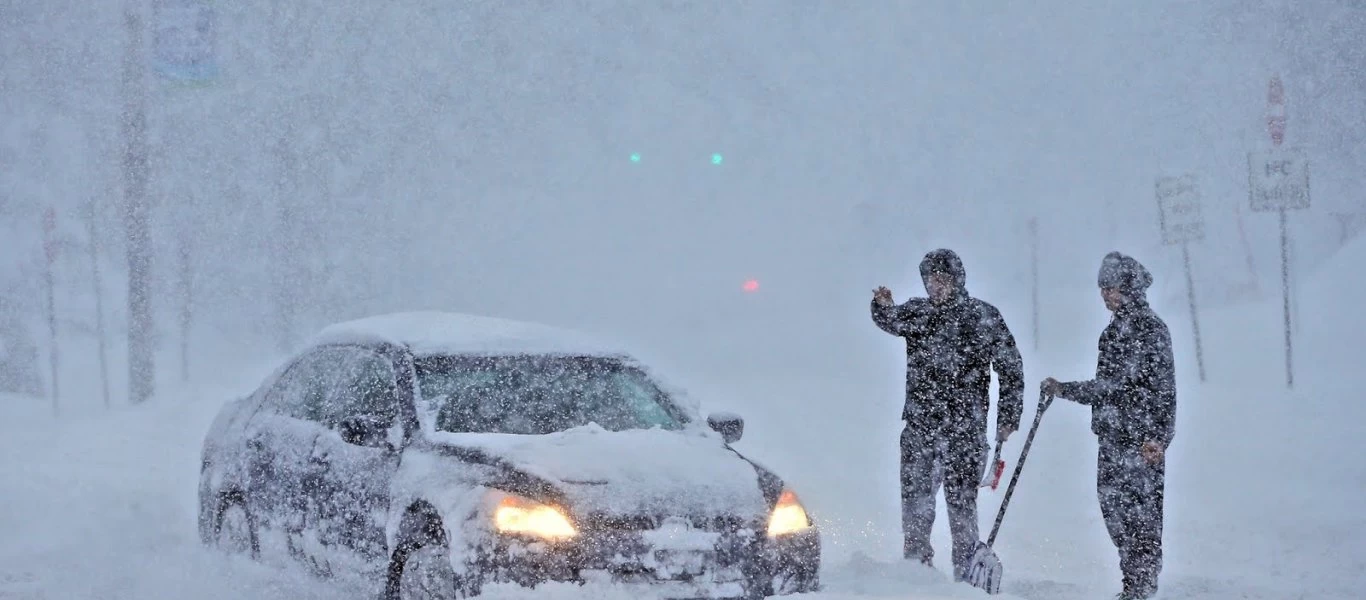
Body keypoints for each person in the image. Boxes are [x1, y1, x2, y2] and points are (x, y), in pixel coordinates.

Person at [871, 248, 1024, 581]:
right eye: (930, 280)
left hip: (964, 432)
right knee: (915, 503)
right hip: (920, 429)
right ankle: (916, 571)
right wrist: (881, 305)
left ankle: (965, 577)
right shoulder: (918, 313)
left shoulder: (983, 316)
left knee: (961, 507)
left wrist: (1009, 416)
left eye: (943, 279)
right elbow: (890, 320)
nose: (936, 286)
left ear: (958, 280)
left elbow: (1011, 368)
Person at [1042, 251, 1176, 600]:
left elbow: (1163, 390)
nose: (1106, 295)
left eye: (1112, 288)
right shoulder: (1112, 333)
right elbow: (1108, 389)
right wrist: (1063, 389)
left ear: (1129, 287)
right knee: (1115, 514)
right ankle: (1134, 583)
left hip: (1141, 441)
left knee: (1142, 520)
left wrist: (1159, 438)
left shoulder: (1151, 330)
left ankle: (1140, 588)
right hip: (1112, 439)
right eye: (1102, 289)